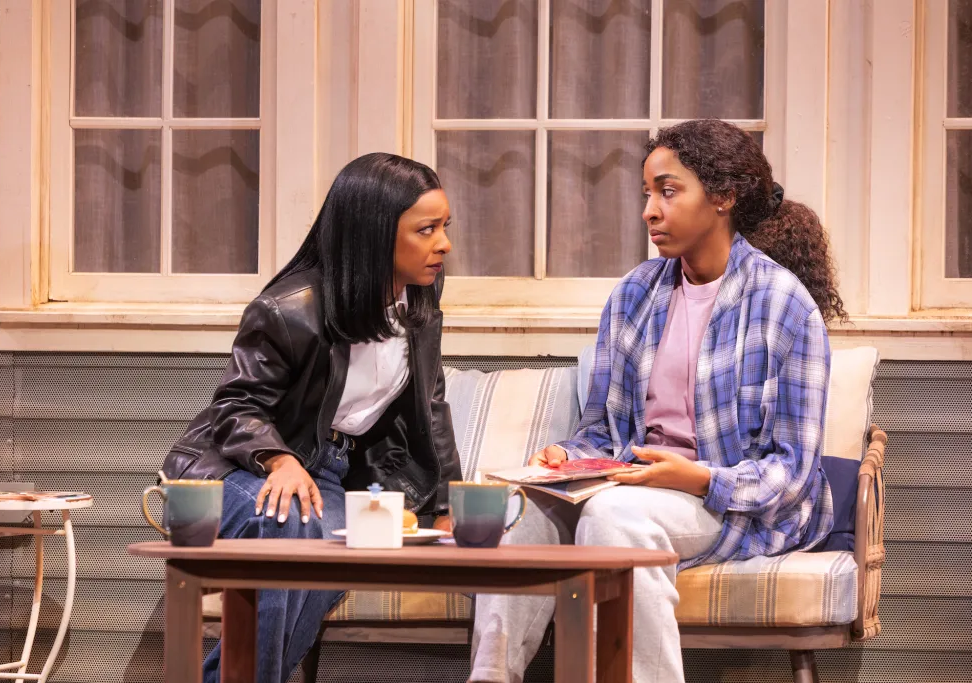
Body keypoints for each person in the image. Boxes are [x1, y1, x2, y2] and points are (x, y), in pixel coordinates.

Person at [469, 119, 847, 683]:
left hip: (729, 503)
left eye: (668, 192)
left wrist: (693, 478)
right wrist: (565, 460)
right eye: (648, 193)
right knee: (519, 511)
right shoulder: (635, 294)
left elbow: (790, 472)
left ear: (723, 197)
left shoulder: (784, 307)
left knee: (612, 517)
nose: (650, 209)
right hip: (633, 484)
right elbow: (601, 429)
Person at [159, 152, 461, 683]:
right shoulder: (289, 308)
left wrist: (447, 507)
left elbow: (431, 412)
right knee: (292, 523)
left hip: (329, 477)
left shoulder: (418, 311)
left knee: (353, 537)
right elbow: (236, 405)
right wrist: (280, 460)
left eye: (445, 227)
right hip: (233, 472)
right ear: (373, 234)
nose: (444, 244)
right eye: (427, 229)